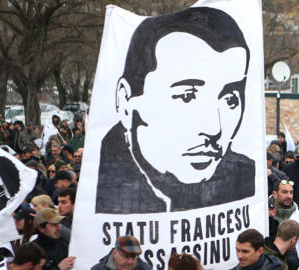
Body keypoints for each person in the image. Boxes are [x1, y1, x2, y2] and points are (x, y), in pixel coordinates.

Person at [96, 7, 255, 213]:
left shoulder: (246, 180)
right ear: (126, 101)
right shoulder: (100, 188)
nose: (214, 128)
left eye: (230, 100)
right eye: (187, 96)